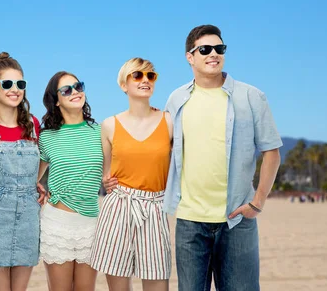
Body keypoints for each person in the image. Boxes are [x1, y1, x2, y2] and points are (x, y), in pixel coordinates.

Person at [162, 25, 282, 290]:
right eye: (205, 49)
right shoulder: (177, 99)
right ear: (190, 57)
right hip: (190, 222)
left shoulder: (251, 96)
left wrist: (258, 202)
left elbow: (271, 152)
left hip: (237, 220)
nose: (213, 54)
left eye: (220, 48)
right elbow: (164, 150)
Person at [90, 58, 173, 291]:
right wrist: (106, 180)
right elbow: (106, 173)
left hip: (155, 209)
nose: (145, 80)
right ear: (123, 85)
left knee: (158, 282)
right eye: (137, 75)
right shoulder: (109, 125)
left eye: (150, 76)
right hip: (118, 208)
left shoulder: (169, 121)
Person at [0, 52, 44, 290]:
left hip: (28, 213)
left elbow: (46, 158)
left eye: (20, 84)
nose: (14, 89)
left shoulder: (34, 125)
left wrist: (36, 182)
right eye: (7, 84)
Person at [38, 71, 103, 291]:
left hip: (91, 225)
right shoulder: (46, 137)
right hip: (57, 224)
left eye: (78, 86)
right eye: (66, 90)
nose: (75, 92)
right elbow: (31, 179)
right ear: (56, 100)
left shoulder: (101, 132)